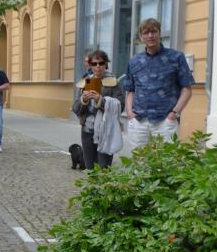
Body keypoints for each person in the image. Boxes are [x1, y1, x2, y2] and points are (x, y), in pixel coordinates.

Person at [123, 18, 194, 148]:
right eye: (146, 32)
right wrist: (129, 113)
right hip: (139, 121)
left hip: (165, 121)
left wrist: (174, 114)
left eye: (154, 31)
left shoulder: (176, 57)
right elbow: (131, 90)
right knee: (139, 159)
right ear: (141, 37)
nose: (150, 36)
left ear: (160, 33)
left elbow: (187, 89)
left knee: (167, 159)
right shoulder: (134, 61)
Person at [72, 50, 125, 169]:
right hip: (87, 129)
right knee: (89, 166)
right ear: (90, 65)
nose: (98, 66)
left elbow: (120, 106)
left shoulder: (113, 82)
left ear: (106, 64)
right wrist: (84, 100)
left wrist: (101, 100)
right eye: (94, 63)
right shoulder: (86, 81)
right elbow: (75, 108)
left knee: (104, 167)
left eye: (101, 63)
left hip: (106, 129)